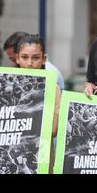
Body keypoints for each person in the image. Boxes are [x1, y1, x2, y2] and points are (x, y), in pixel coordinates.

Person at [14, 34, 61, 173]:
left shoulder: (53, 87)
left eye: (35, 58)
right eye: (24, 57)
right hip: (14, 151)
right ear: (17, 58)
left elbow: (53, 130)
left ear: (44, 59)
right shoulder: (8, 87)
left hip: (42, 155)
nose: (29, 63)